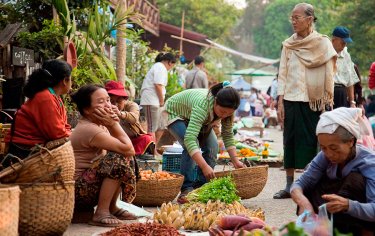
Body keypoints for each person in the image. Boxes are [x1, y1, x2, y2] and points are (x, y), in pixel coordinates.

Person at [275, 3, 337, 199]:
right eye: (291, 18)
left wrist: (327, 102)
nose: (293, 21)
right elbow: (282, 74)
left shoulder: (323, 43)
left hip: (314, 100)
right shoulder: (288, 44)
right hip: (291, 98)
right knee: (289, 141)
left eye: (297, 18)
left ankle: (312, 184)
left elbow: (330, 74)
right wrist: (280, 102)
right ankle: (289, 185)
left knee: (313, 142)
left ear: (309, 19)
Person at [291, 107, 375, 235]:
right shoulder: (325, 156)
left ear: (351, 141)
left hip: (355, 214)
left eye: (334, 148)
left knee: (355, 180)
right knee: (310, 181)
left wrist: (348, 205)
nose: (329, 154)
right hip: (330, 211)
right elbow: (299, 184)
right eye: (323, 148)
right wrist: (305, 204)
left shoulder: (369, 163)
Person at [165, 81, 245, 203]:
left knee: (213, 146)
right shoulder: (203, 106)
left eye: (229, 113)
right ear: (215, 102)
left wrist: (235, 161)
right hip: (175, 114)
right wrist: (204, 166)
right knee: (191, 145)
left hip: (197, 118)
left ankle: (201, 186)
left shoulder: (227, 111)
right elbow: (190, 139)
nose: (224, 116)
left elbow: (227, 134)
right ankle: (187, 188)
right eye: (222, 112)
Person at [70, 84, 137, 227]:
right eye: (101, 102)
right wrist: (114, 125)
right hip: (77, 192)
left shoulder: (99, 125)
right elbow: (128, 148)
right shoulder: (89, 129)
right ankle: (101, 212)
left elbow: (127, 150)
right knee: (118, 158)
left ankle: (111, 207)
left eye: (108, 100)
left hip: (89, 186)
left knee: (123, 157)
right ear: (87, 110)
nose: (108, 105)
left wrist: (113, 123)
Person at [3, 59, 72, 167]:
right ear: (64, 80)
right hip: (24, 150)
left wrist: (69, 132)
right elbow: (56, 133)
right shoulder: (46, 98)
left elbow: (64, 127)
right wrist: (71, 134)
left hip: (32, 147)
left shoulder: (55, 97)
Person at [105, 81, 155, 156]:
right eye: (111, 101)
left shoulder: (132, 105)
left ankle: (132, 157)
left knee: (147, 139)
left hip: (132, 141)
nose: (115, 104)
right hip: (114, 142)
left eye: (118, 101)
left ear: (124, 100)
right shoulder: (103, 108)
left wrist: (120, 114)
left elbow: (134, 118)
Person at [140, 52, 176, 146]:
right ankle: (150, 151)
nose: (170, 68)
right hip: (151, 100)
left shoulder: (160, 67)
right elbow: (158, 85)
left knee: (161, 126)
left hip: (155, 101)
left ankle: (154, 149)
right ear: (169, 62)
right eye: (172, 66)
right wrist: (161, 101)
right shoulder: (160, 67)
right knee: (152, 128)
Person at [331, 26, 359, 109]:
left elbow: (350, 81)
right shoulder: (325, 52)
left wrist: (352, 102)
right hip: (326, 94)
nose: (344, 45)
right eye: (342, 42)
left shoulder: (346, 55)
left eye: (346, 43)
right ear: (334, 40)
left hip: (342, 94)